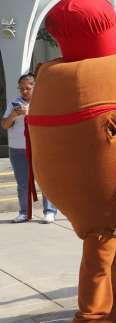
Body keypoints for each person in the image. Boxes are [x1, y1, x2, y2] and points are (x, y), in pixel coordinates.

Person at [2, 73, 58, 224]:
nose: (24, 92)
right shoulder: (14, 104)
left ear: (36, 87)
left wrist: (30, 114)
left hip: (40, 148)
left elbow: (51, 124)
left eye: (28, 88)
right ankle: (24, 212)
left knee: (46, 180)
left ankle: (50, 211)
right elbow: (5, 125)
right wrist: (13, 115)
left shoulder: (44, 103)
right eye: (21, 89)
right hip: (18, 149)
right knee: (22, 183)